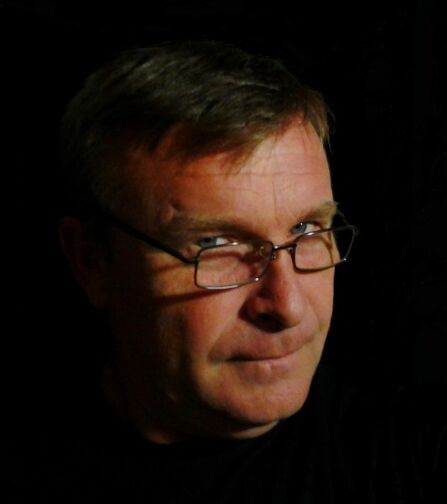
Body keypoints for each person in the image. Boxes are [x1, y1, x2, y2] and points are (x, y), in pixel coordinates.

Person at [32, 41, 444, 503]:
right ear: (91, 260)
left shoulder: (414, 457)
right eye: (216, 246)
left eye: (307, 230)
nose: (287, 306)